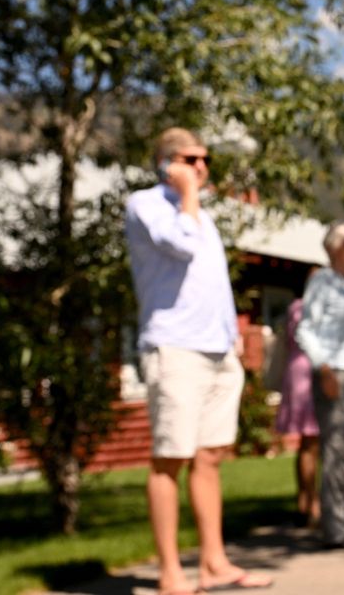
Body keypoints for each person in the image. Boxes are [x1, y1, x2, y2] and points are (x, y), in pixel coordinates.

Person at [125, 127, 272, 594]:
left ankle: (214, 563)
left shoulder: (201, 216)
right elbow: (181, 246)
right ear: (166, 162)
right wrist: (186, 193)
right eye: (191, 160)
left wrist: (232, 339)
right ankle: (171, 574)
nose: (202, 168)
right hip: (176, 347)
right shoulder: (146, 205)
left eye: (205, 160)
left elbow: (214, 284)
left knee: (210, 457)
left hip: (216, 349)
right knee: (170, 458)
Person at [296, 220, 344, 549]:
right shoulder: (322, 282)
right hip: (336, 372)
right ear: (333, 247)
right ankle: (334, 525)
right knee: (336, 448)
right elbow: (306, 329)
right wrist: (324, 369)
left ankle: (343, 515)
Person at [274, 291, 318, 528]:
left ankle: (306, 501)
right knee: (311, 442)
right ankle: (311, 503)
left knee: (308, 443)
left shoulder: (294, 307)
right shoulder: (306, 308)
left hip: (299, 373)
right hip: (308, 375)